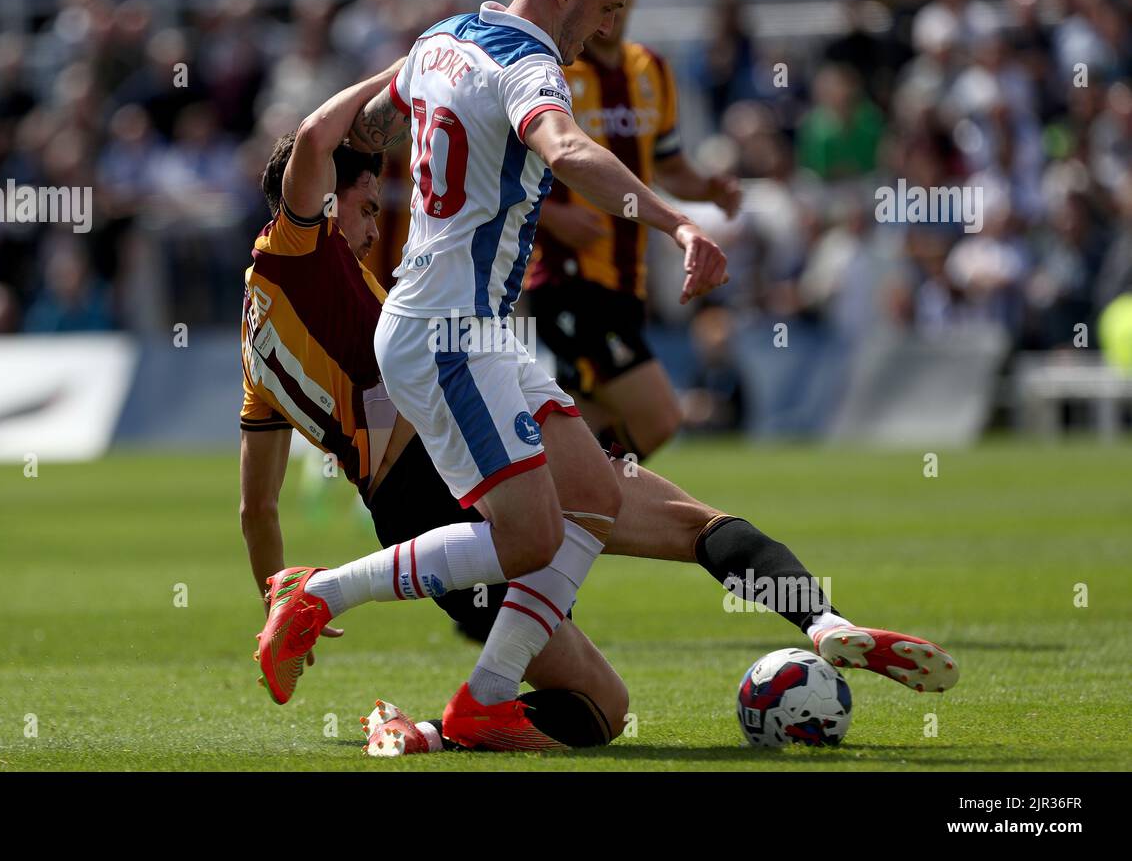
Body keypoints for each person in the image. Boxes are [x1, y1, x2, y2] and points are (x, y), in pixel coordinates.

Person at [241, 68, 959, 755]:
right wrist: (415, 64)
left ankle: (824, 623)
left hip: (419, 489)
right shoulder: (300, 247)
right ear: (326, 199)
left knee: (619, 666)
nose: (373, 232)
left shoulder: (256, 350)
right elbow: (312, 139)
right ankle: (337, 606)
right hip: (440, 458)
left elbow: (258, 511)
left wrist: (274, 595)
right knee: (623, 597)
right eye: (367, 209)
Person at [527, 0, 740, 459]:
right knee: (659, 416)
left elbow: (667, 166)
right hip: (568, 275)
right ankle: (579, 506)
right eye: (604, 2)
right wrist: (556, 218)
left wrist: (708, 188)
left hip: (627, 280)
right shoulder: (550, 70)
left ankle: (549, 509)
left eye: (621, 1)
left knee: (588, 417)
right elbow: (524, 170)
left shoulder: (652, 71)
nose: (612, 16)